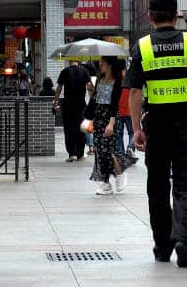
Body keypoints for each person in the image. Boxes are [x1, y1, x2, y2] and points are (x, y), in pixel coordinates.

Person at [125, 0, 187, 268]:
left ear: (151, 17)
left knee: (158, 188)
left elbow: (135, 92)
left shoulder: (141, 48)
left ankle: (163, 245)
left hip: (158, 127)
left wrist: (136, 127)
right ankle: (183, 238)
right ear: (176, 16)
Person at [90, 57, 134, 194]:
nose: (100, 65)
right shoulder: (99, 79)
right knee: (99, 151)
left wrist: (111, 123)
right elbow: (95, 100)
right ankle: (106, 183)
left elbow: (114, 104)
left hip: (110, 118)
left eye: (102, 63)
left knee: (109, 151)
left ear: (109, 65)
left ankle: (120, 174)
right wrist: (91, 92)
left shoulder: (117, 81)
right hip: (98, 117)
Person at [53, 61, 93, 162]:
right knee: (81, 128)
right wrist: (92, 101)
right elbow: (89, 87)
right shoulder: (84, 71)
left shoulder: (64, 71)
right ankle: (80, 153)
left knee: (69, 128)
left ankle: (72, 154)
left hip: (68, 103)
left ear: (70, 61)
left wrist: (55, 101)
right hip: (81, 103)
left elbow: (59, 88)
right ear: (78, 61)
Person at [117, 69, 135, 157]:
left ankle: (120, 152)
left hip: (119, 110)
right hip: (130, 110)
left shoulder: (115, 78)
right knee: (132, 132)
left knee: (119, 133)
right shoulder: (131, 77)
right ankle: (130, 148)